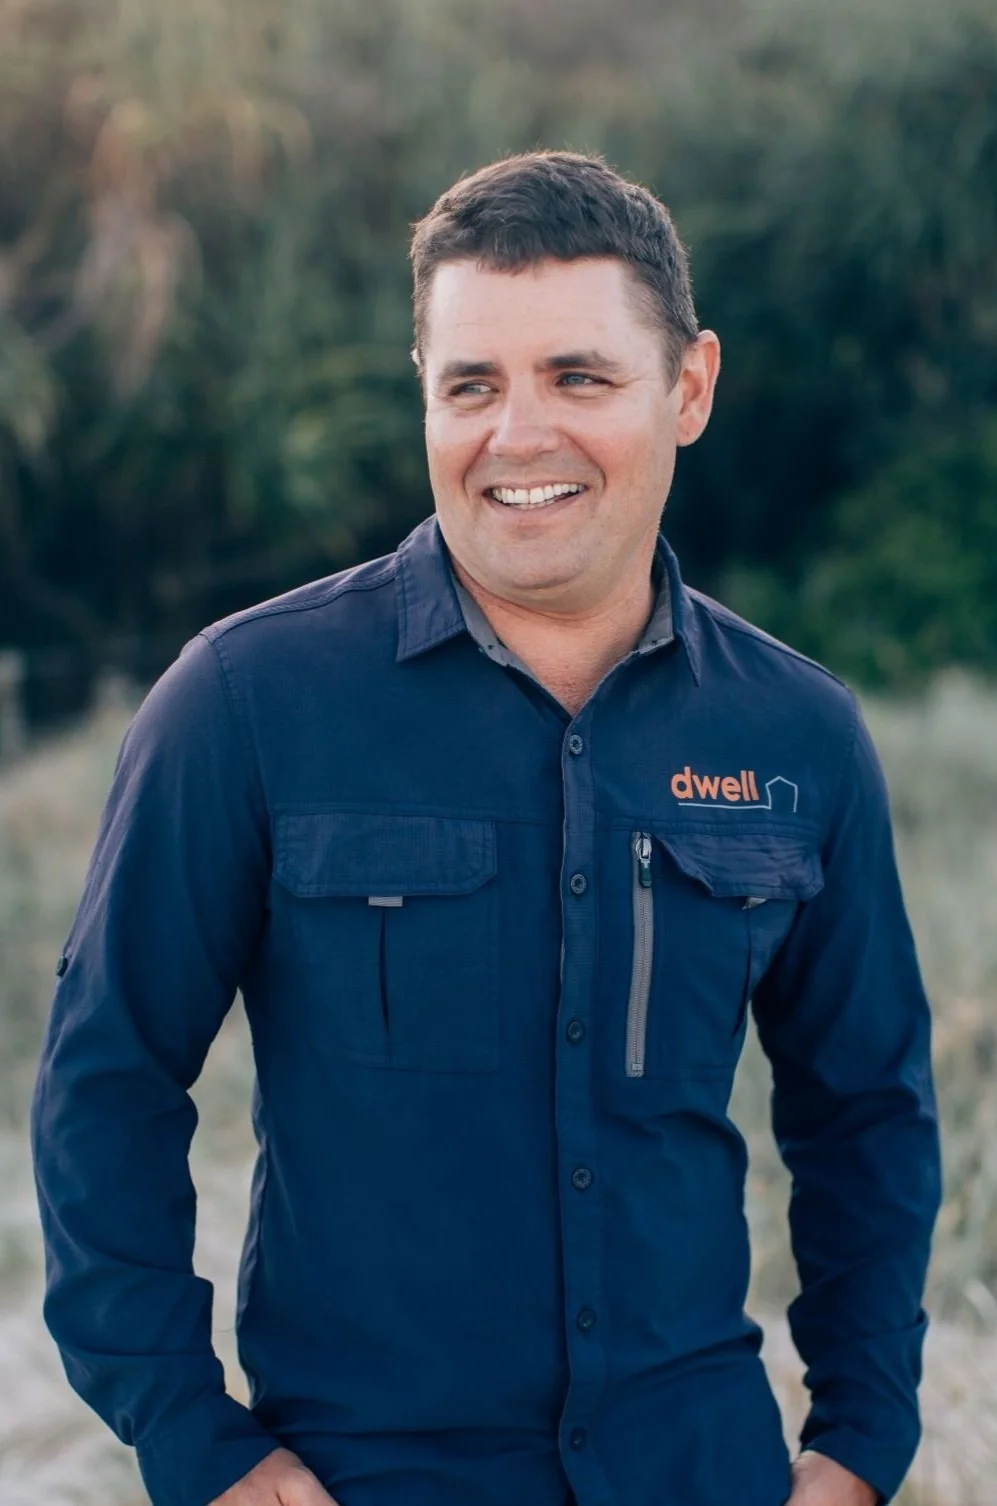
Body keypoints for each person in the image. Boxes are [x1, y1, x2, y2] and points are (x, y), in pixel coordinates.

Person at [31, 151, 940, 1506]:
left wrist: (856, 1444)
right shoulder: (244, 702)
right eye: (470, 384)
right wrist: (191, 1434)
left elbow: (865, 1112)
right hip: (363, 1475)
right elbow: (104, 1080)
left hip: (700, 1470)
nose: (518, 435)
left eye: (578, 377)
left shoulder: (795, 736)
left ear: (687, 387)